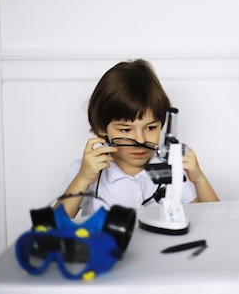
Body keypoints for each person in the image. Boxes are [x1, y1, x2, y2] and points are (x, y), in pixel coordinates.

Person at [56, 59, 219, 218]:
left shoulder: (169, 167)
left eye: (150, 128)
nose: (140, 140)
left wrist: (198, 178)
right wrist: (83, 179)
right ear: (101, 128)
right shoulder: (85, 170)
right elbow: (50, 228)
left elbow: (214, 220)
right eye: (126, 129)